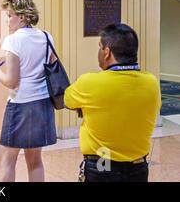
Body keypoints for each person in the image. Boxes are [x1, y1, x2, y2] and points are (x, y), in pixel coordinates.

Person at [64, 24, 161, 182]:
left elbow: (66, 100)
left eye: (100, 47)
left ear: (107, 52)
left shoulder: (90, 82)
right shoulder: (152, 83)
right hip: (138, 167)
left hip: (103, 164)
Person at [0, 0, 57, 182]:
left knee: (7, 161)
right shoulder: (46, 36)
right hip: (42, 103)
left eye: (9, 15)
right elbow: (52, 64)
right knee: (35, 161)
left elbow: (11, 81)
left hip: (20, 104)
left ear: (22, 17)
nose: (6, 20)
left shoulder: (12, 40)